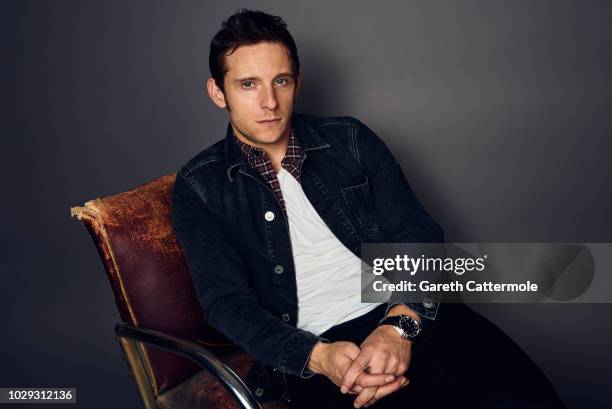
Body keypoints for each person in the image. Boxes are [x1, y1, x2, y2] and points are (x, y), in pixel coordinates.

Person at [172, 9, 565, 409]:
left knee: (528, 398)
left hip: (406, 311)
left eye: (281, 81)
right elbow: (227, 303)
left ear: (297, 82)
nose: (269, 102)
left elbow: (417, 233)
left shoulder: (350, 140)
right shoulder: (200, 186)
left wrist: (398, 326)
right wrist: (318, 357)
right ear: (218, 92)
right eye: (248, 84)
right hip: (314, 352)